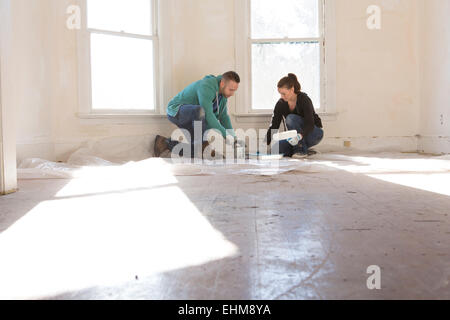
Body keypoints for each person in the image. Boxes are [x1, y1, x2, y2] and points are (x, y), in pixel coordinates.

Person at [154, 71, 240, 158]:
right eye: (231, 90)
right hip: (176, 111)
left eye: (234, 91)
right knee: (199, 111)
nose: (232, 94)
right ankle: (203, 145)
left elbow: (224, 117)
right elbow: (208, 115)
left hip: (195, 118)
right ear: (222, 84)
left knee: (198, 152)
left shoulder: (223, 96)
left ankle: (164, 143)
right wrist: (226, 135)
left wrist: (234, 139)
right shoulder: (207, 86)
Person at [266, 73, 324, 158]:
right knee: (276, 149)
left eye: (284, 93)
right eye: (280, 94)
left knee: (291, 118)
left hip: (313, 133)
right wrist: (264, 144)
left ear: (292, 89)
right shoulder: (281, 103)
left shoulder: (304, 99)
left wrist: (299, 136)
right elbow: (274, 125)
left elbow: (310, 124)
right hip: (295, 138)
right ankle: (305, 150)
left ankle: (300, 150)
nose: (281, 96)